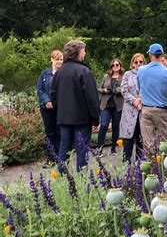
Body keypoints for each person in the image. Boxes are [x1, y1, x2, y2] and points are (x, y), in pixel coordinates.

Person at [51, 40, 100, 172]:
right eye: (84, 50)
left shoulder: (59, 73)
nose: (85, 53)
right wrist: (96, 118)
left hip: (64, 118)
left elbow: (53, 96)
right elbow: (91, 98)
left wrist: (59, 112)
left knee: (63, 150)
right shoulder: (84, 71)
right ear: (78, 52)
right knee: (82, 151)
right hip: (82, 119)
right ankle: (82, 181)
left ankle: (61, 179)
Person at [137, 43, 167, 153]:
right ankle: (164, 168)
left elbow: (139, 88)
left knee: (148, 143)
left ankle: (151, 167)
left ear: (150, 55)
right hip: (162, 111)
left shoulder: (141, 70)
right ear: (161, 56)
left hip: (146, 110)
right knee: (165, 143)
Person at [37, 50, 63, 165]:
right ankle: (50, 158)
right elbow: (40, 89)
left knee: (60, 132)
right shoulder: (44, 74)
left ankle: (59, 157)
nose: (59, 61)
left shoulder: (64, 74)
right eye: (57, 59)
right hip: (46, 108)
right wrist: (47, 101)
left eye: (61, 59)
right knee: (50, 132)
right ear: (52, 59)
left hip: (60, 108)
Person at [119, 53, 146, 163]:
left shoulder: (147, 74)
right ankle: (126, 167)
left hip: (142, 111)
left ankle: (140, 169)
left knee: (141, 141)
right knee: (128, 141)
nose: (138, 64)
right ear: (132, 64)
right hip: (129, 112)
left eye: (141, 62)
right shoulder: (127, 74)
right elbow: (124, 90)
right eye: (136, 62)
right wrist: (135, 101)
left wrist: (140, 99)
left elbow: (149, 89)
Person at [97, 58, 124, 156]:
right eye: (114, 65)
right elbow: (98, 88)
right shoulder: (106, 76)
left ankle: (113, 148)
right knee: (104, 125)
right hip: (106, 105)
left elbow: (126, 88)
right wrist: (104, 90)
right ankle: (99, 149)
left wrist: (120, 90)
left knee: (116, 127)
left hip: (118, 105)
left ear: (120, 66)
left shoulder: (123, 77)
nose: (115, 67)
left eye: (117, 65)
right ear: (111, 66)